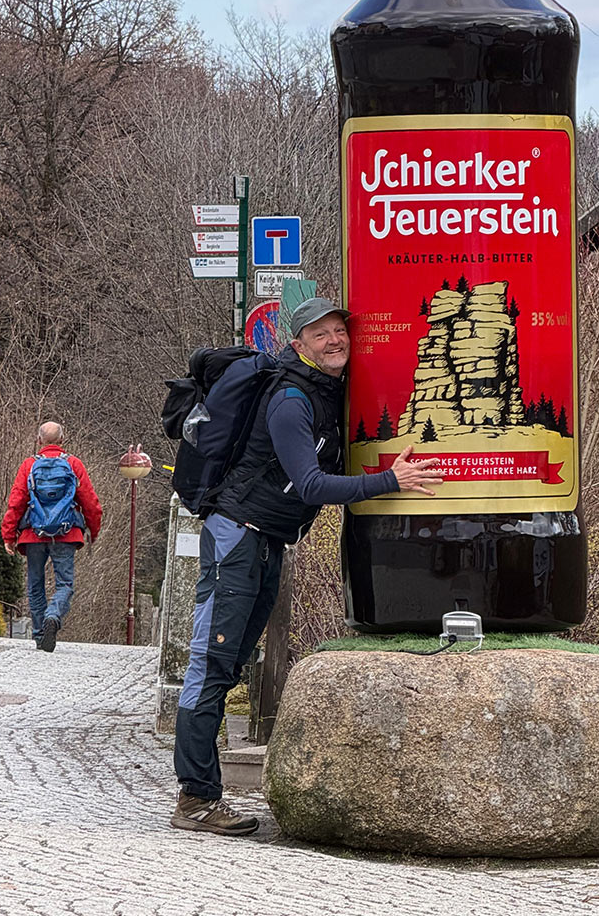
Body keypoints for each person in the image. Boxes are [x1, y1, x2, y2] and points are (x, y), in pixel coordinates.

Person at [171, 297, 442, 837]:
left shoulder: (326, 391)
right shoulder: (291, 400)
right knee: (211, 665)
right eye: (320, 334)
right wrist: (393, 481)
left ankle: (200, 793)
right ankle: (196, 800)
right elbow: (313, 484)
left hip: (266, 539)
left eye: (339, 330)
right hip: (237, 537)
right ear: (299, 345)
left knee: (230, 662)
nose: (334, 340)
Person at [0, 421, 102, 652]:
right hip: (66, 534)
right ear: (62, 441)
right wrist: (93, 531)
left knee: (35, 586)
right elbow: (91, 503)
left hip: (33, 535)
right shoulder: (74, 464)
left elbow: (16, 502)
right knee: (64, 584)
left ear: (39, 441)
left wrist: (8, 535)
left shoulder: (29, 466)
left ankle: (39, 635)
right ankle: (53, 615)